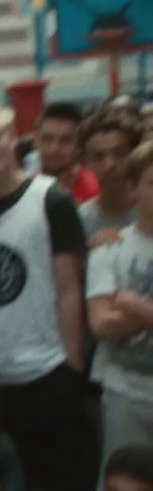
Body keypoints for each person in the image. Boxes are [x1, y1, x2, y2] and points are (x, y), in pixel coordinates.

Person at [0, 105, 99, 490]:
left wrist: (71, 363)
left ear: (14, 140)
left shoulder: (52, 201)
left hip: (44, 373)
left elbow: (69, 288)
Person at [85, 140, 153, 465]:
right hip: (125, 392)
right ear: (133, 188)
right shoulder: (110, 248)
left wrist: (137, 308)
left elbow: (118, 315)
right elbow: (101, 323)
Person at [79, 110, 144, 242]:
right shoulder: (80, 220)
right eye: (98, 156)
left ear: (135, 153)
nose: (110, 165)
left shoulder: (149, 210)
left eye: (120, 153)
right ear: (85, 161)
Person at [29, 103, 99, 204]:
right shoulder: (28, 191)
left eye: (66, 140)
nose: (54, 149)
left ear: (79, 146)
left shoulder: (97, 189)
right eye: (47, 139)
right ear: (36, 141)